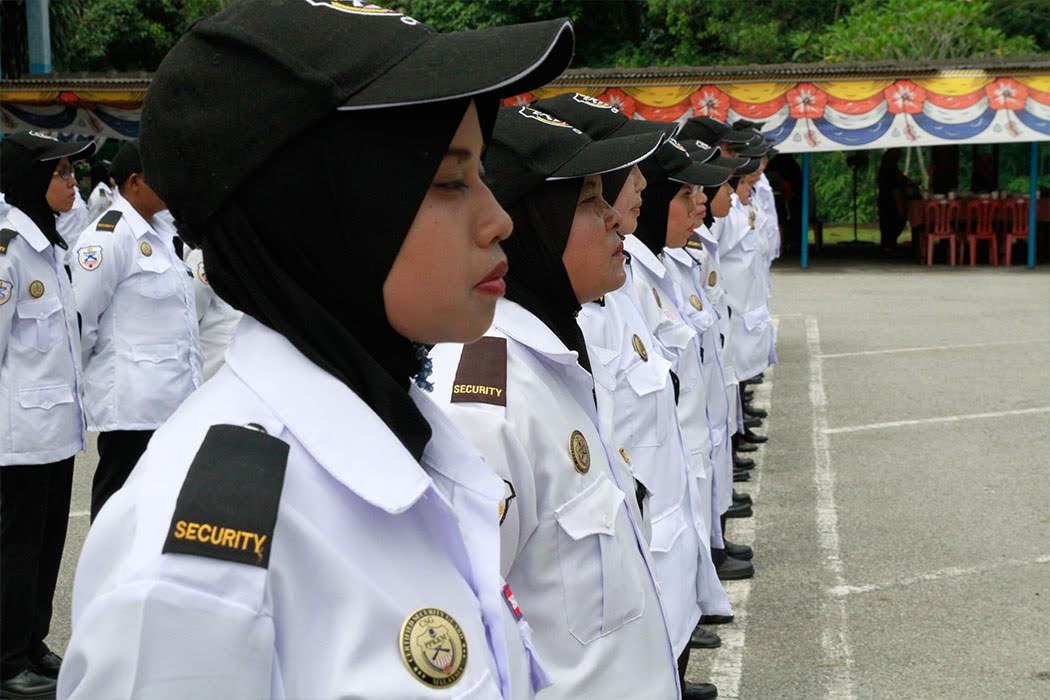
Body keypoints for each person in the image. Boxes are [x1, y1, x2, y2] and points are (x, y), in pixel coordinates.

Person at [59, 2, 575, 698]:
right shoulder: (202, 567)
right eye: (449, 181)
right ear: (318, 212)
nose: (500, 219)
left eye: (480, 174)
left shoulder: (406, 427)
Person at [428, 104, 681, 699]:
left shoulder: (554, 358)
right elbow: (472, 639)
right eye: (591, 202)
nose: (618, 222)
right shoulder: (488, 404)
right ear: (536, 222)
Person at [0, 130, 94, 699]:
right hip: (22, 434)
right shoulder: (9, 251)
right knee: (17, 545)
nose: (71, 182)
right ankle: (7, 660)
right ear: (35, 180)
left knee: (48, 542)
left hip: (58, 430)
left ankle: (32, 642)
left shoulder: (49, 247)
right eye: (61, 173)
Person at [71, 141, 204, 520]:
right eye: (160, 176)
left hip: (172, 398)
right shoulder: (107, 237)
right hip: (132, 405)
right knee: (118, 509)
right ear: (134, 183)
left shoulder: (163, 231)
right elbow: (82, 320)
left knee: (159, 509)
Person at [877, 148, 913, 251]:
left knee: (886, 225)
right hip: (890, 200)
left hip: (886, 200)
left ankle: (888, 245)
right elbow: (895, 188)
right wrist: (900, 206)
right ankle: (888, 245)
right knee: (892, 223)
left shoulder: (887, 168)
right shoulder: (889, 169)